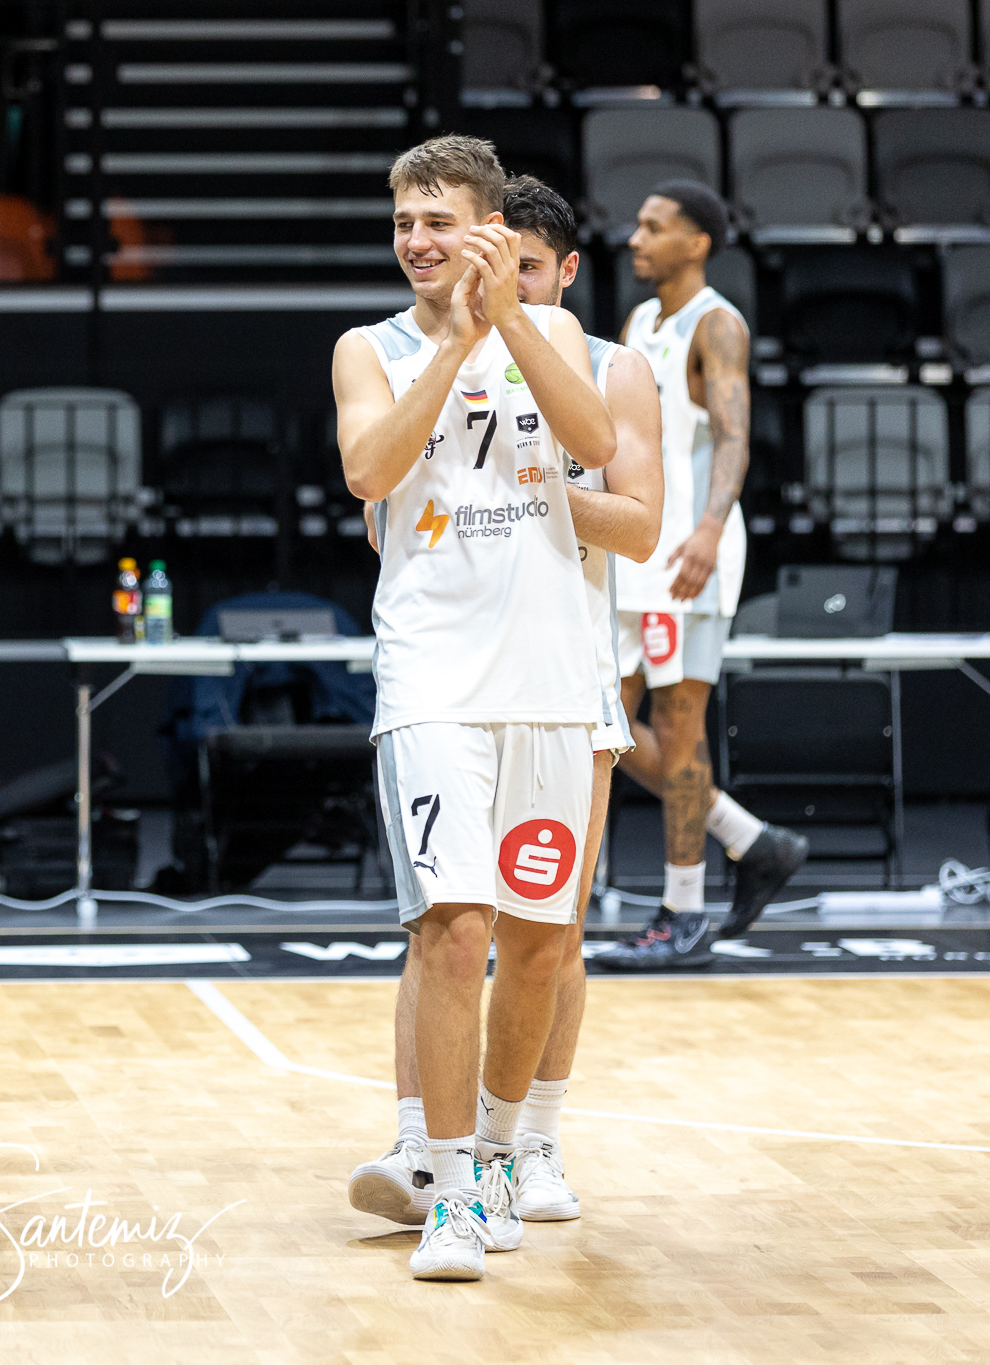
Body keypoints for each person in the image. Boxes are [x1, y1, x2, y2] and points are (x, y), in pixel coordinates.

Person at [347, 175, 664, 1231]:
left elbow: (618, 486)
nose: (417, 242)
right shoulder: (374, 347)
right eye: (402, 223)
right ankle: (436, 1159)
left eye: (438, 223)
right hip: (437, 670)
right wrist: (453, 350)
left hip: (559, 673)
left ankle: (521, 1139)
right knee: (447, 925)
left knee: (543, 938)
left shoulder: (581, 348)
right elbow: (369, 484)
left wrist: (512, 338)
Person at [598, 181, 807, 971]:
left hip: (689, 554)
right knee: (604, 726)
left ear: (698, 243)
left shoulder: (716, 323)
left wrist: (711, 528)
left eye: (654, 227)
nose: (636, 238)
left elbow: (733, 436)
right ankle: (754, 841)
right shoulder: (639, 321)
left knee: (680, 734)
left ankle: (682, 913)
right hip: (634, 547)